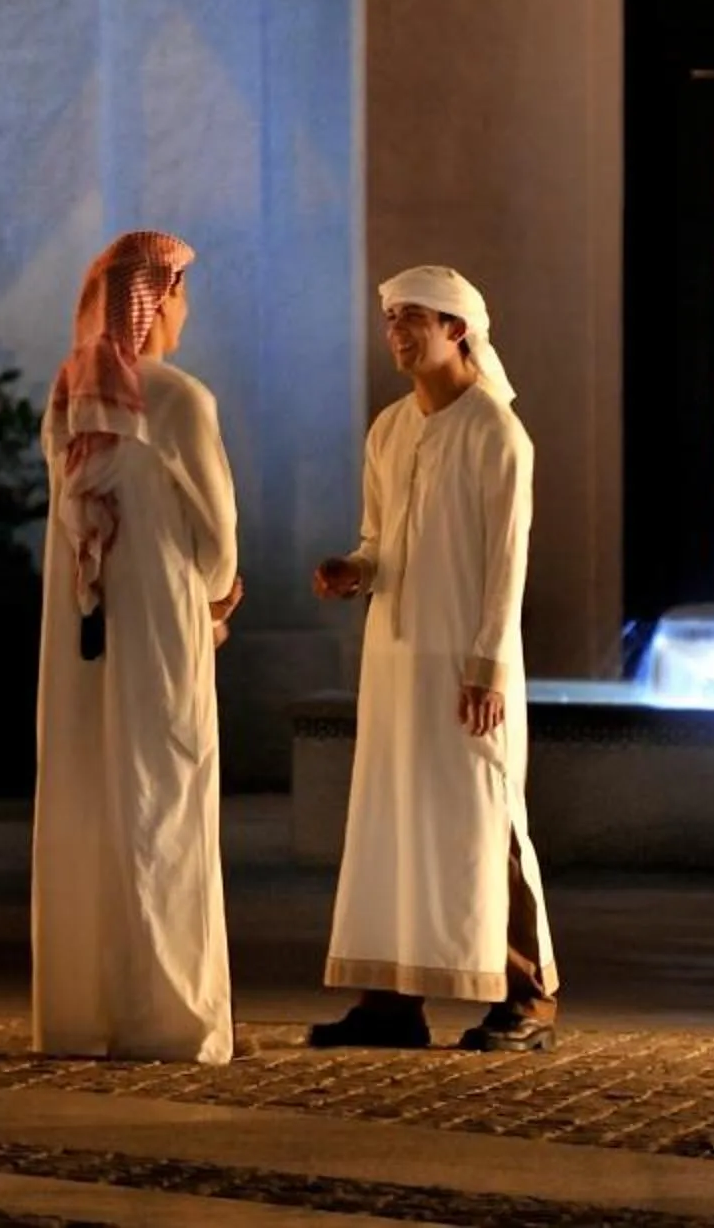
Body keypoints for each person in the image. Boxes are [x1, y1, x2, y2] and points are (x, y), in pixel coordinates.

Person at [309, 265, 558, 1053]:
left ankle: (527, 996)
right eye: (390, 319)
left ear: (458, 329)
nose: (398, 332)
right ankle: (392, 1000)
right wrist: (357, 570)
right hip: (395, 661)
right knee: (393, 815)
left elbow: (506, 565)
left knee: (484, 818)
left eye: (415, 317)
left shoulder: (497, 433)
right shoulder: (388, 430)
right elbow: (382, 541)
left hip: (468, 668)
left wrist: (486, 665)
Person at [32, 228, 243, 1062]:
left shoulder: (68, 396)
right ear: (154, 301)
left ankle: (84, 1012)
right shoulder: (179, 398)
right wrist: (219, 593)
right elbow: (218, 533)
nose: (186, 309)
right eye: (181, 292)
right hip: (160, 620)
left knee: (93, 790)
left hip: (83, 628)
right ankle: (168, 1017)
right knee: (167, 790)